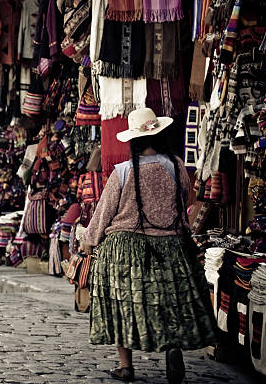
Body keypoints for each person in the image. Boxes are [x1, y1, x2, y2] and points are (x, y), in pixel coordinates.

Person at [82, 108, 216, 383]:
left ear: (133, 139)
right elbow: (184, 202)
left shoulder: (121, 172)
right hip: (170, 245)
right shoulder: (176, 165)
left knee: (125, 304)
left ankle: (125, 365)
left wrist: (88, 242)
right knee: (167, 301)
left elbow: (104, 212)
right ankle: (172, 346)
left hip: (125, 249)